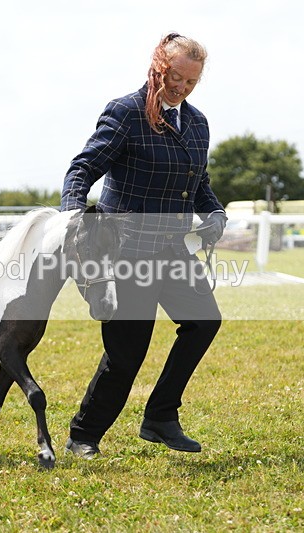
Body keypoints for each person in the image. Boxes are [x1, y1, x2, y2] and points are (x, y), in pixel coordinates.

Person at [61, 33, 226, 458]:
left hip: (173, 251)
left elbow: (199, 184)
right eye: (175, 76)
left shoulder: (198, 123)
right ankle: (84, 435)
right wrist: (75, 215)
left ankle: (160, 417)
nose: (181, 87)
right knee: (127, 353)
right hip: (125, 252)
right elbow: (82, 169)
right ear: (158, 67)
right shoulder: (126, 112)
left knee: (204, 322)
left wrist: (216, 213)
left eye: (191, 81)